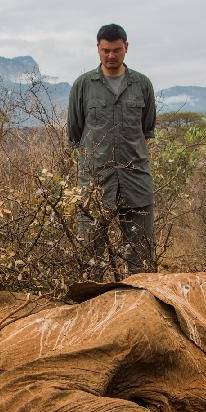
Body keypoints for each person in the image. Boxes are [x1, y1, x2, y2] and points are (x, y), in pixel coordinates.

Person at [67, 24, 156, 278]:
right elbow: (75, 133)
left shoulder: (142, 85)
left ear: (126, 48)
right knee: (89, 261)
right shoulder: (82, 86)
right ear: (97, 49)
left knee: (142, 259)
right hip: (94, 184)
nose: (111, 56)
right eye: (105, 50)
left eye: (117, 50)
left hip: (135, 182)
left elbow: (146, 130)